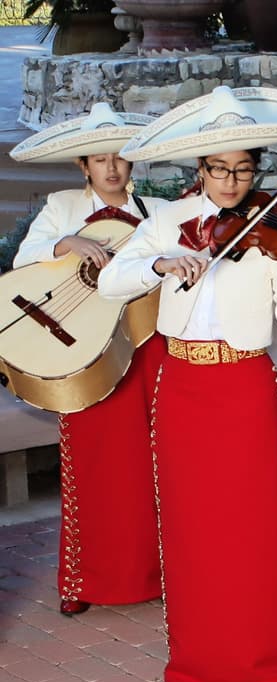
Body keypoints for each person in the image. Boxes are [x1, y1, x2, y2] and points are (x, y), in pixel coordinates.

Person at [98, 86, 277, 682]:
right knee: (190, 524)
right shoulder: (168, 223)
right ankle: (199, 664)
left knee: (255, 526)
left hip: (244, 383)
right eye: (220, 169)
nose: (233, 181)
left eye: (244, 168)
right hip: (180, 384)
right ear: (199, 169)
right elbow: (109, 278)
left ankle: (271, 666)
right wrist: (160, 265)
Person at [10, 104, 165, 616]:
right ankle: (86, 581)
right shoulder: (61, 206)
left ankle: (157, 573)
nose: (112, 168)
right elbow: (22, 262)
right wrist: (66, 242)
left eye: (120, 158)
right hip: (85, 350)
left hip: (145, 347)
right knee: (92, 465)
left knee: (153, 465)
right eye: (100, 160)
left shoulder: (158, 211)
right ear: (84, 167)